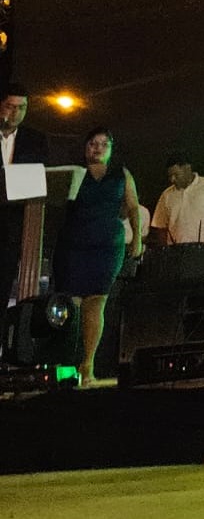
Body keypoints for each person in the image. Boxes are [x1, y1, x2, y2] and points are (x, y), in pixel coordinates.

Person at [52, 126, 143, 385]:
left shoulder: (121, 174)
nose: (98, 148)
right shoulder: (75, 172)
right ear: (85, 147)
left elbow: (133, 206)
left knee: (97, 301)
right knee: (72, 303)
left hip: (106, 245)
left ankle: (88, 364)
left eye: (104, 144)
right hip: (74, 243)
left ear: (111, 149)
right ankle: (66, 363)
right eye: (93, 143)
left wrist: (137, 238)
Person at [0, 81, 50, 310]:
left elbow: (40, 178)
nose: (16, 113)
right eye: (11, 107)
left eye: (22, 108)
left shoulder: (34, 140)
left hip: (14, 225)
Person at [149, 158, 204, 246]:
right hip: (176, 250)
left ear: (187, 168)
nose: (172, 179)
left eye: (176, 175)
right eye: (170, 176)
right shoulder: (167, 195)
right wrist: (165, 249)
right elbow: (160, 225)